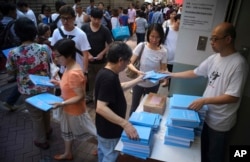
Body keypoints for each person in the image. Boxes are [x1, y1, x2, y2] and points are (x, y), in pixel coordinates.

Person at [168, 22, 248, 162]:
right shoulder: (214, 58)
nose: (211, 42)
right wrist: (171, 75)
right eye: (211, 38)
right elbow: (195, 72)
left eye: (215, 39)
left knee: (214, 156)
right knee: (201, 152)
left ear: (228, 39)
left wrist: (204, 100)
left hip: (220, 122)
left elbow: (232, 96)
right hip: (205, 116)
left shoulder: (238, 64)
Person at [5, 17, 53, 149]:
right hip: (46, 86)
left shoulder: (13, 53)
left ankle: (41, 140)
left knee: (36, 116)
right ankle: (48, 130)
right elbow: (50, 63)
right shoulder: (44, 48)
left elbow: (10, 71)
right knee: (46, 110)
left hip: (27, 89)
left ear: (18, 33)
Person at [95, 42, 142, 162]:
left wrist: (139, 80)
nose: (127, 65)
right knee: (110, 156)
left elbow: (120, 86)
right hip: (110, 130)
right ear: (121, 60)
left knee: (103, 152)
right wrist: (125, 124)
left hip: (103, 127)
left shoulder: (106, 72)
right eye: (127, 62)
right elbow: (100, 108)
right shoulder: (108, 78)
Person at [51, 39, 97, 160]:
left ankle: (104, 145)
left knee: (89, 134)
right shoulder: (67, 66)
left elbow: (80, 96)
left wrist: (62, 103)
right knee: (67, 132)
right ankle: (68, 153)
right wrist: (59, 83)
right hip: (67, 109)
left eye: (58, 56)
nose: (56, 59)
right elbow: (69, 87)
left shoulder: (74, 73)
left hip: (75, 111)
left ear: (69, 55)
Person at [128, 24, 168, 116]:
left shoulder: (163, 51)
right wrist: (138, 72)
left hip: (153, 85)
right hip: (138, 83)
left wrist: (162, 75)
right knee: (134, 106)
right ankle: (131, 126)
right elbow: (129, 63)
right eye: (152, 36)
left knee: (149, 108)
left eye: (157, 37)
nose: (154, 40)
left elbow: (163, 69)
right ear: (148, 35)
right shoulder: (141, 46)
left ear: (161, 37)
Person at [81, 8, 113, 103]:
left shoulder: (104, 29)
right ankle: (89, 96)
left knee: (101, 79)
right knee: (89, 79)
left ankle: (100, 97)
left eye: (99, 19)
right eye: (94, 18)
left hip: (101, 61)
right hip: (88, 60)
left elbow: (110, 44)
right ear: (90, 17)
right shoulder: (84, 28)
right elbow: (80, 43)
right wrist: (88, 54)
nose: (96, 21)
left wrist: (102, 53)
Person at [50, 5, 90, 76]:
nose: (65, 21)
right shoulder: (56, 32)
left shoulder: (81, 34)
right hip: (63, 71)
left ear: (74, 18)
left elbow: (85, 55)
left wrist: (84, 72)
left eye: (68, 18)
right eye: (63, 18)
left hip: (78, 71)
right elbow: (53, 52)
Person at [162, 14, 181, 87]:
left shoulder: (182, 33)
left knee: (172, 79)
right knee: (165, 72)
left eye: (181, 24)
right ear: (174, 21)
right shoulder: (166, 30)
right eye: (178, 23)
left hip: (175, 60)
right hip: (166, 58)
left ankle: (168, 84)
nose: (179, 26)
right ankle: (166, 81)